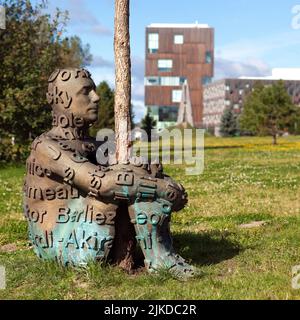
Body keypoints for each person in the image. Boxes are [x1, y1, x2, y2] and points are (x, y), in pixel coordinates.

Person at [23, 68, 194, 278]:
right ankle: (160, 260)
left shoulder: (96, 144)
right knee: (120, 181)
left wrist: (159, 177)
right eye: (86, 91)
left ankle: (160, 258)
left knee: (134, 172)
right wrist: (161, 189)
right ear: (63, 99)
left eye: (94, 90)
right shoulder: (45, 147)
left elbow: (131, 173)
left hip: (85, 226)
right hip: (62, 244)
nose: (96, 97)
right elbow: (100, 183)